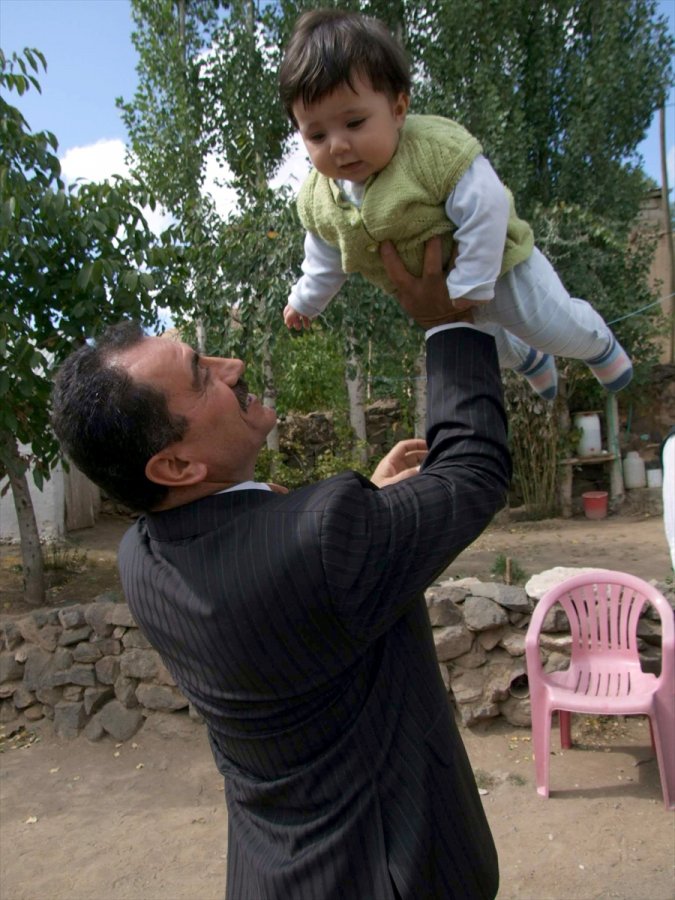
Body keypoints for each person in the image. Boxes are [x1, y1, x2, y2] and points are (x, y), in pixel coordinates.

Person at [52, 239, 509, 899]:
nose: (232, 364)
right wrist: (447, 323)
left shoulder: (142, 556)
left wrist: (372, 508)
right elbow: (473, 471)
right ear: (175, 467)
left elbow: (277, 567)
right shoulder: (323, 543)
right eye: (203, 375)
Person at [279, 8, 633, 402]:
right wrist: (305, 300)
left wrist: (470, 281)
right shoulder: (319, 197)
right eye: (316, 134)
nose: (338, 145)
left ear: (398, 110)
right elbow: (324, 256)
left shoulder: (432, 150)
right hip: (438, 293)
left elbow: (487, 205)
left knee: (549, 324)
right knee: (486, 344)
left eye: (355, 123)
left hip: (500, 268)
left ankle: (599, 344)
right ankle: (530, 362)